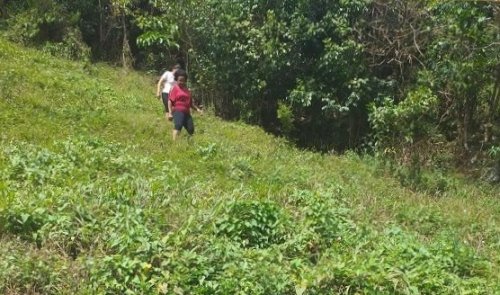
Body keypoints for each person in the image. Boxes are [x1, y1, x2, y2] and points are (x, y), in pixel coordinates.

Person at [168, 69, 202, 140]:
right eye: (180, 80)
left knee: (191, 129)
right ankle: (174, 143)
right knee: (178, 125)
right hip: (178, 111)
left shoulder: (188, 90)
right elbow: (170, 101)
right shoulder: (175, 88)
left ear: (185, 80)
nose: (181, 82)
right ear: (176, 80)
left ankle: (189, 143)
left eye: (183, 80)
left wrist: (198, 109)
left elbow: (191, 104)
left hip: (187, 113)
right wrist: (170, 113)